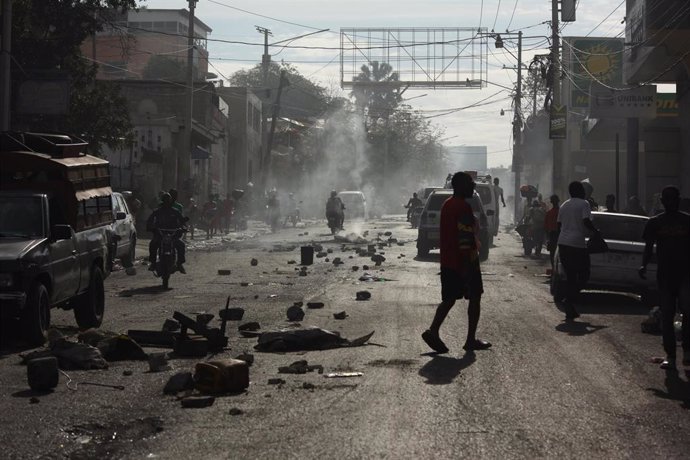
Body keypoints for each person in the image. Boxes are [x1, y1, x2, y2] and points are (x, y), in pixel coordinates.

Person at [421, 172, 491, 354]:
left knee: (449, 299)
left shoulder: (447, 205)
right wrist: (468, 265)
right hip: (465, 261)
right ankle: (470, 339)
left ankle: (433, 330)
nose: (473, 186)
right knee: (475, 297)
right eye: (470, 184)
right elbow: (465, 237)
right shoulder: (462, 207)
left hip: (448, 261)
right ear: (460, 186)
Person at [639, 186, 690, 370]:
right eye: (667, 199)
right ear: (663, 201)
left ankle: (687, 352)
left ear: (678, 200)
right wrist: (643, 264)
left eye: (673, 198)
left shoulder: (687, 221)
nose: (670, 202)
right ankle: (671, 355)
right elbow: (648, 246)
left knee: (687, 315)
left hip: (685, 275)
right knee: (667, 317)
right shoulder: (655, 222)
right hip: (666, 277)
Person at [556, 181, 600, 320]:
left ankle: (570, 308)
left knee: (570, 276)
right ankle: (568, 300)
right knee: (584, 274)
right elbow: (586, 221)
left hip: (563, 244)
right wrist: (595, 232)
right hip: (577, 245)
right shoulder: (584, 204)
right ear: (580, 191)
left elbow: (559, 224)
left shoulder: (564, 205)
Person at [147, 192, 187, 274]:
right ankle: (153, 263)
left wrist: (183, 227)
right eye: (165, 201)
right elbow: (150, 220)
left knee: (181, 245)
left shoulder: (175, 211)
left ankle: (179, 264)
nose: (166, 203)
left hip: (173, 235)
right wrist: (151, 228)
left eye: (168, 201)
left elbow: (182, 221)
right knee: (153, 244)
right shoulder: (157, 212)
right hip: (160, 235)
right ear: (162, 201)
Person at [544, 194, 560, 270]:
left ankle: (554, 269)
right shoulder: (561, 212)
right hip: (560, 234)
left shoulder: (549, 213)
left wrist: (547, 238)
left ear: (552, 202)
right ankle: (556, 269)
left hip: (552, 235)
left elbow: (546, 227)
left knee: (552, 253)